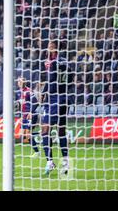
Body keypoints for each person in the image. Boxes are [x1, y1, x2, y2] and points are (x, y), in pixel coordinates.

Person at [41, 41, 73, 176]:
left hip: (54, 99)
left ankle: (50, 161)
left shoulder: (54, 63)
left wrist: (43, 93)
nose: (48, 49)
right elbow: (71, 79)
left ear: (54, 49)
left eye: (50, 47)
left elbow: (50, 81)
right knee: (61, 131)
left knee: (45, 130)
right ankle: (65, 161)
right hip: (65, 98)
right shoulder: (67, 63)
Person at [17, 77, 40, 158]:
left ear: (24, 82)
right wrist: (20, 115)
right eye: (18, 81)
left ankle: (37, 152)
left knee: (28, 134)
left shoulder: (28, 91)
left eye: (21, 81)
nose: (19, 82)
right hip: (23, 115)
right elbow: (20, 105)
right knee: (22, 135)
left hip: (31, 115)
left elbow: (36, 102)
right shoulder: (19, 92)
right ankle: (41, 134)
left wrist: (31, 112)